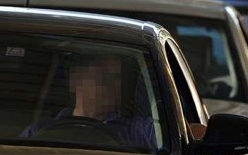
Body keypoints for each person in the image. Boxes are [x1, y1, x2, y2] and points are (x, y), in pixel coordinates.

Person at [21, 54, 156, 149]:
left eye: (117, 79)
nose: (113, 85)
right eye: (104, 77)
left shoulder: (137, 131)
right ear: (75, 80)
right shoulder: (38, 131)